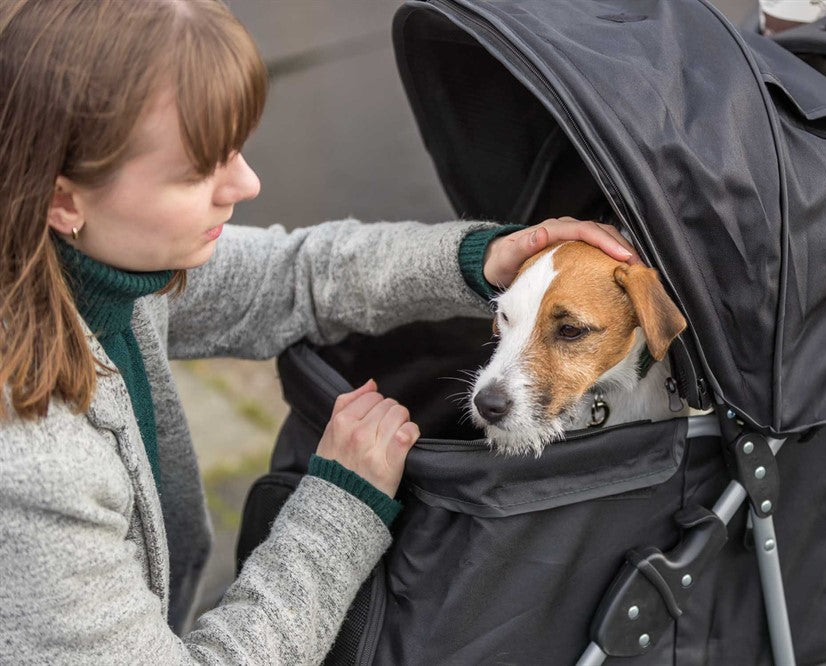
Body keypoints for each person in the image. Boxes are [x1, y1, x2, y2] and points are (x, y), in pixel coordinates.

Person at [0, 0, 637, 662]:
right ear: (63, 198)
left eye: (236, 149)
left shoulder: (90, 265)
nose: (245, 183)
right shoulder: (34, 466)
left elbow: (294, 276)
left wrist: (478, 259)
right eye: (198, 170)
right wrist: (341, 502)